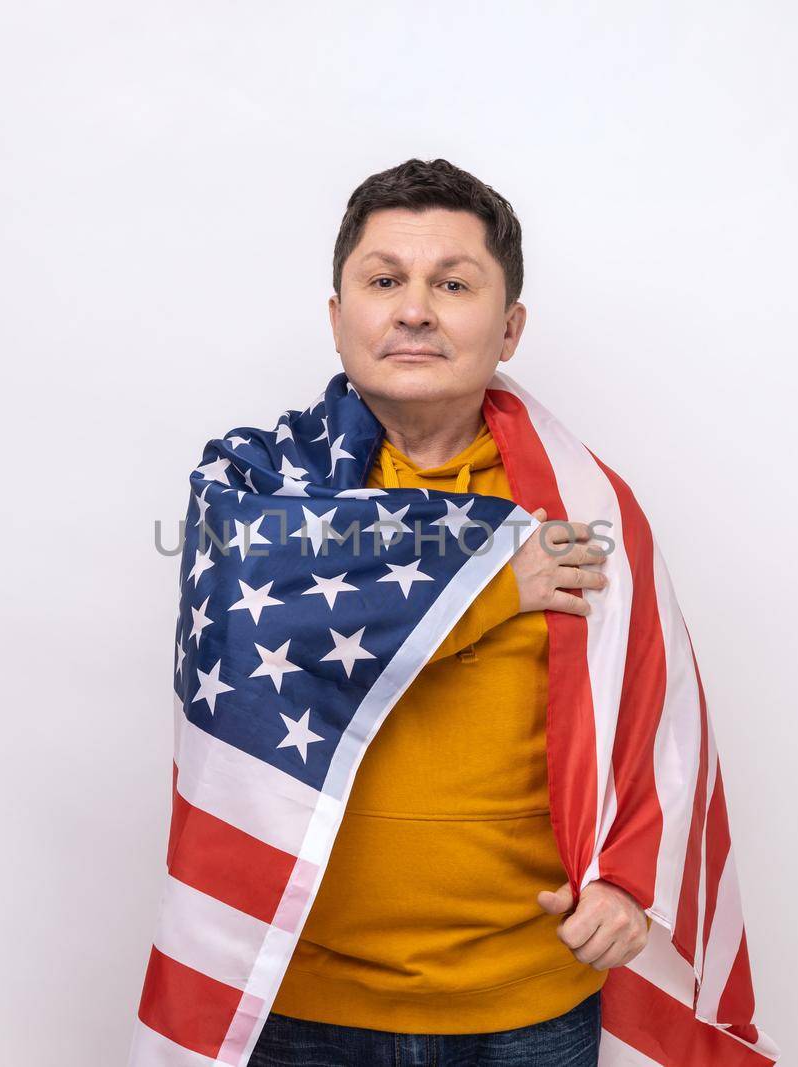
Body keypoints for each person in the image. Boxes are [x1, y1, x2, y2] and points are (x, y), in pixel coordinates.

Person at [247, 158, 649, 1066]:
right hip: (300, 999)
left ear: (507, 328)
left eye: (453, 284)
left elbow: (647, 721)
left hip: (526, 1004)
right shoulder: (263, 492)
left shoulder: (584, 504)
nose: (416, 309)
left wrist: (627, 880)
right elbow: (261, 640)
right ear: (337, 315)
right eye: (384, 280)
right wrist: (498, 587)